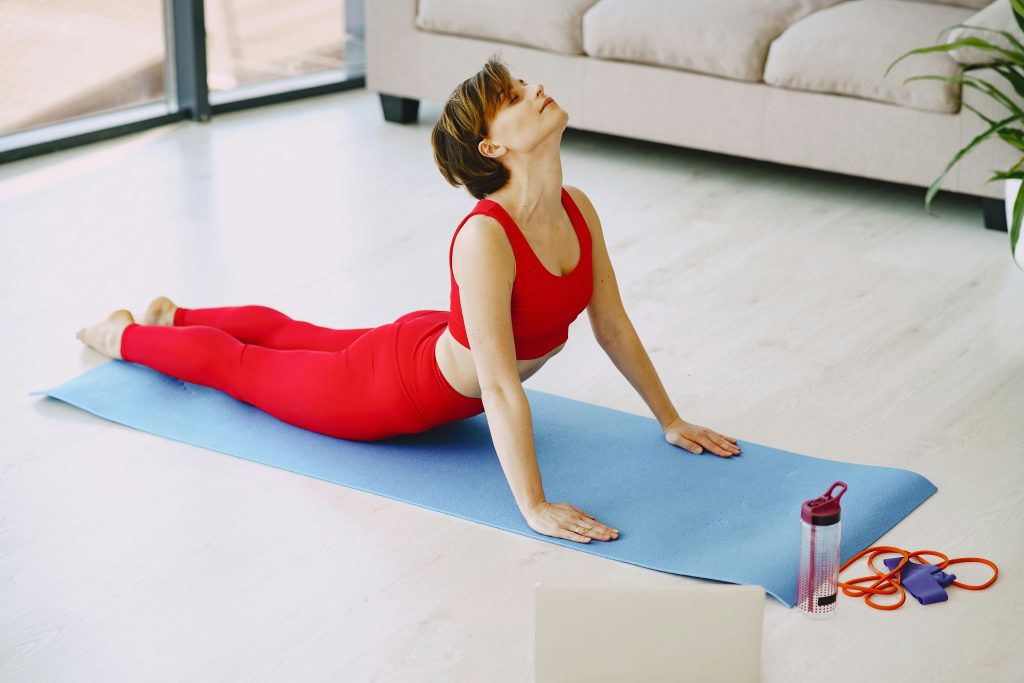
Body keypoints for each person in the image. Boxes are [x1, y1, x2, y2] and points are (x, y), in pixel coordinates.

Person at [75, 53, 741, 546]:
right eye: (515, 95)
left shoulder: (579, 209)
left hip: (428, 340)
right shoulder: (485, 237)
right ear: (493, 146)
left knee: (291, 331)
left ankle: (175, 314)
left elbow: (612, 324)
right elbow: (502, 389)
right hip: (386, 391)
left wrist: (670, 418)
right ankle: (122, 335)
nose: (537, 89)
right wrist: (533, 505)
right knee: (242, 367)